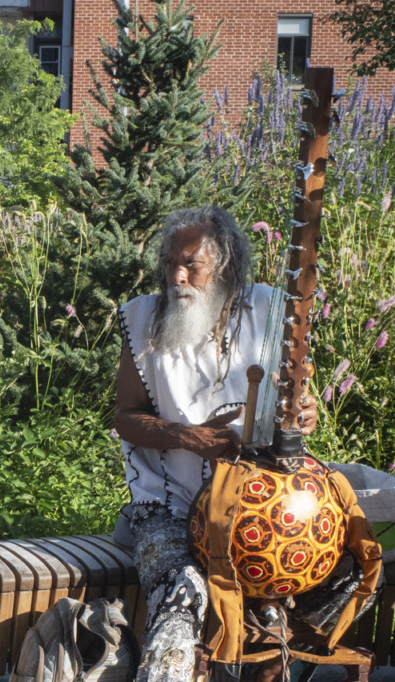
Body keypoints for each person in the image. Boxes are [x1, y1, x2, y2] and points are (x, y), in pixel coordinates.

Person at [113, 206, 337, 682]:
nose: (177, 275)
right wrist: (188, 437)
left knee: (333, 568)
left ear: (226, 264)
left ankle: (274, 669)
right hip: (168, 507)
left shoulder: (273, 310)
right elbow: (125, 417)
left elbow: (297, 399)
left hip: (259, 505)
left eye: (191, 263)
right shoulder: (143, 318)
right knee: (182, 597)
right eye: (171, 261)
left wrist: (305, 414)